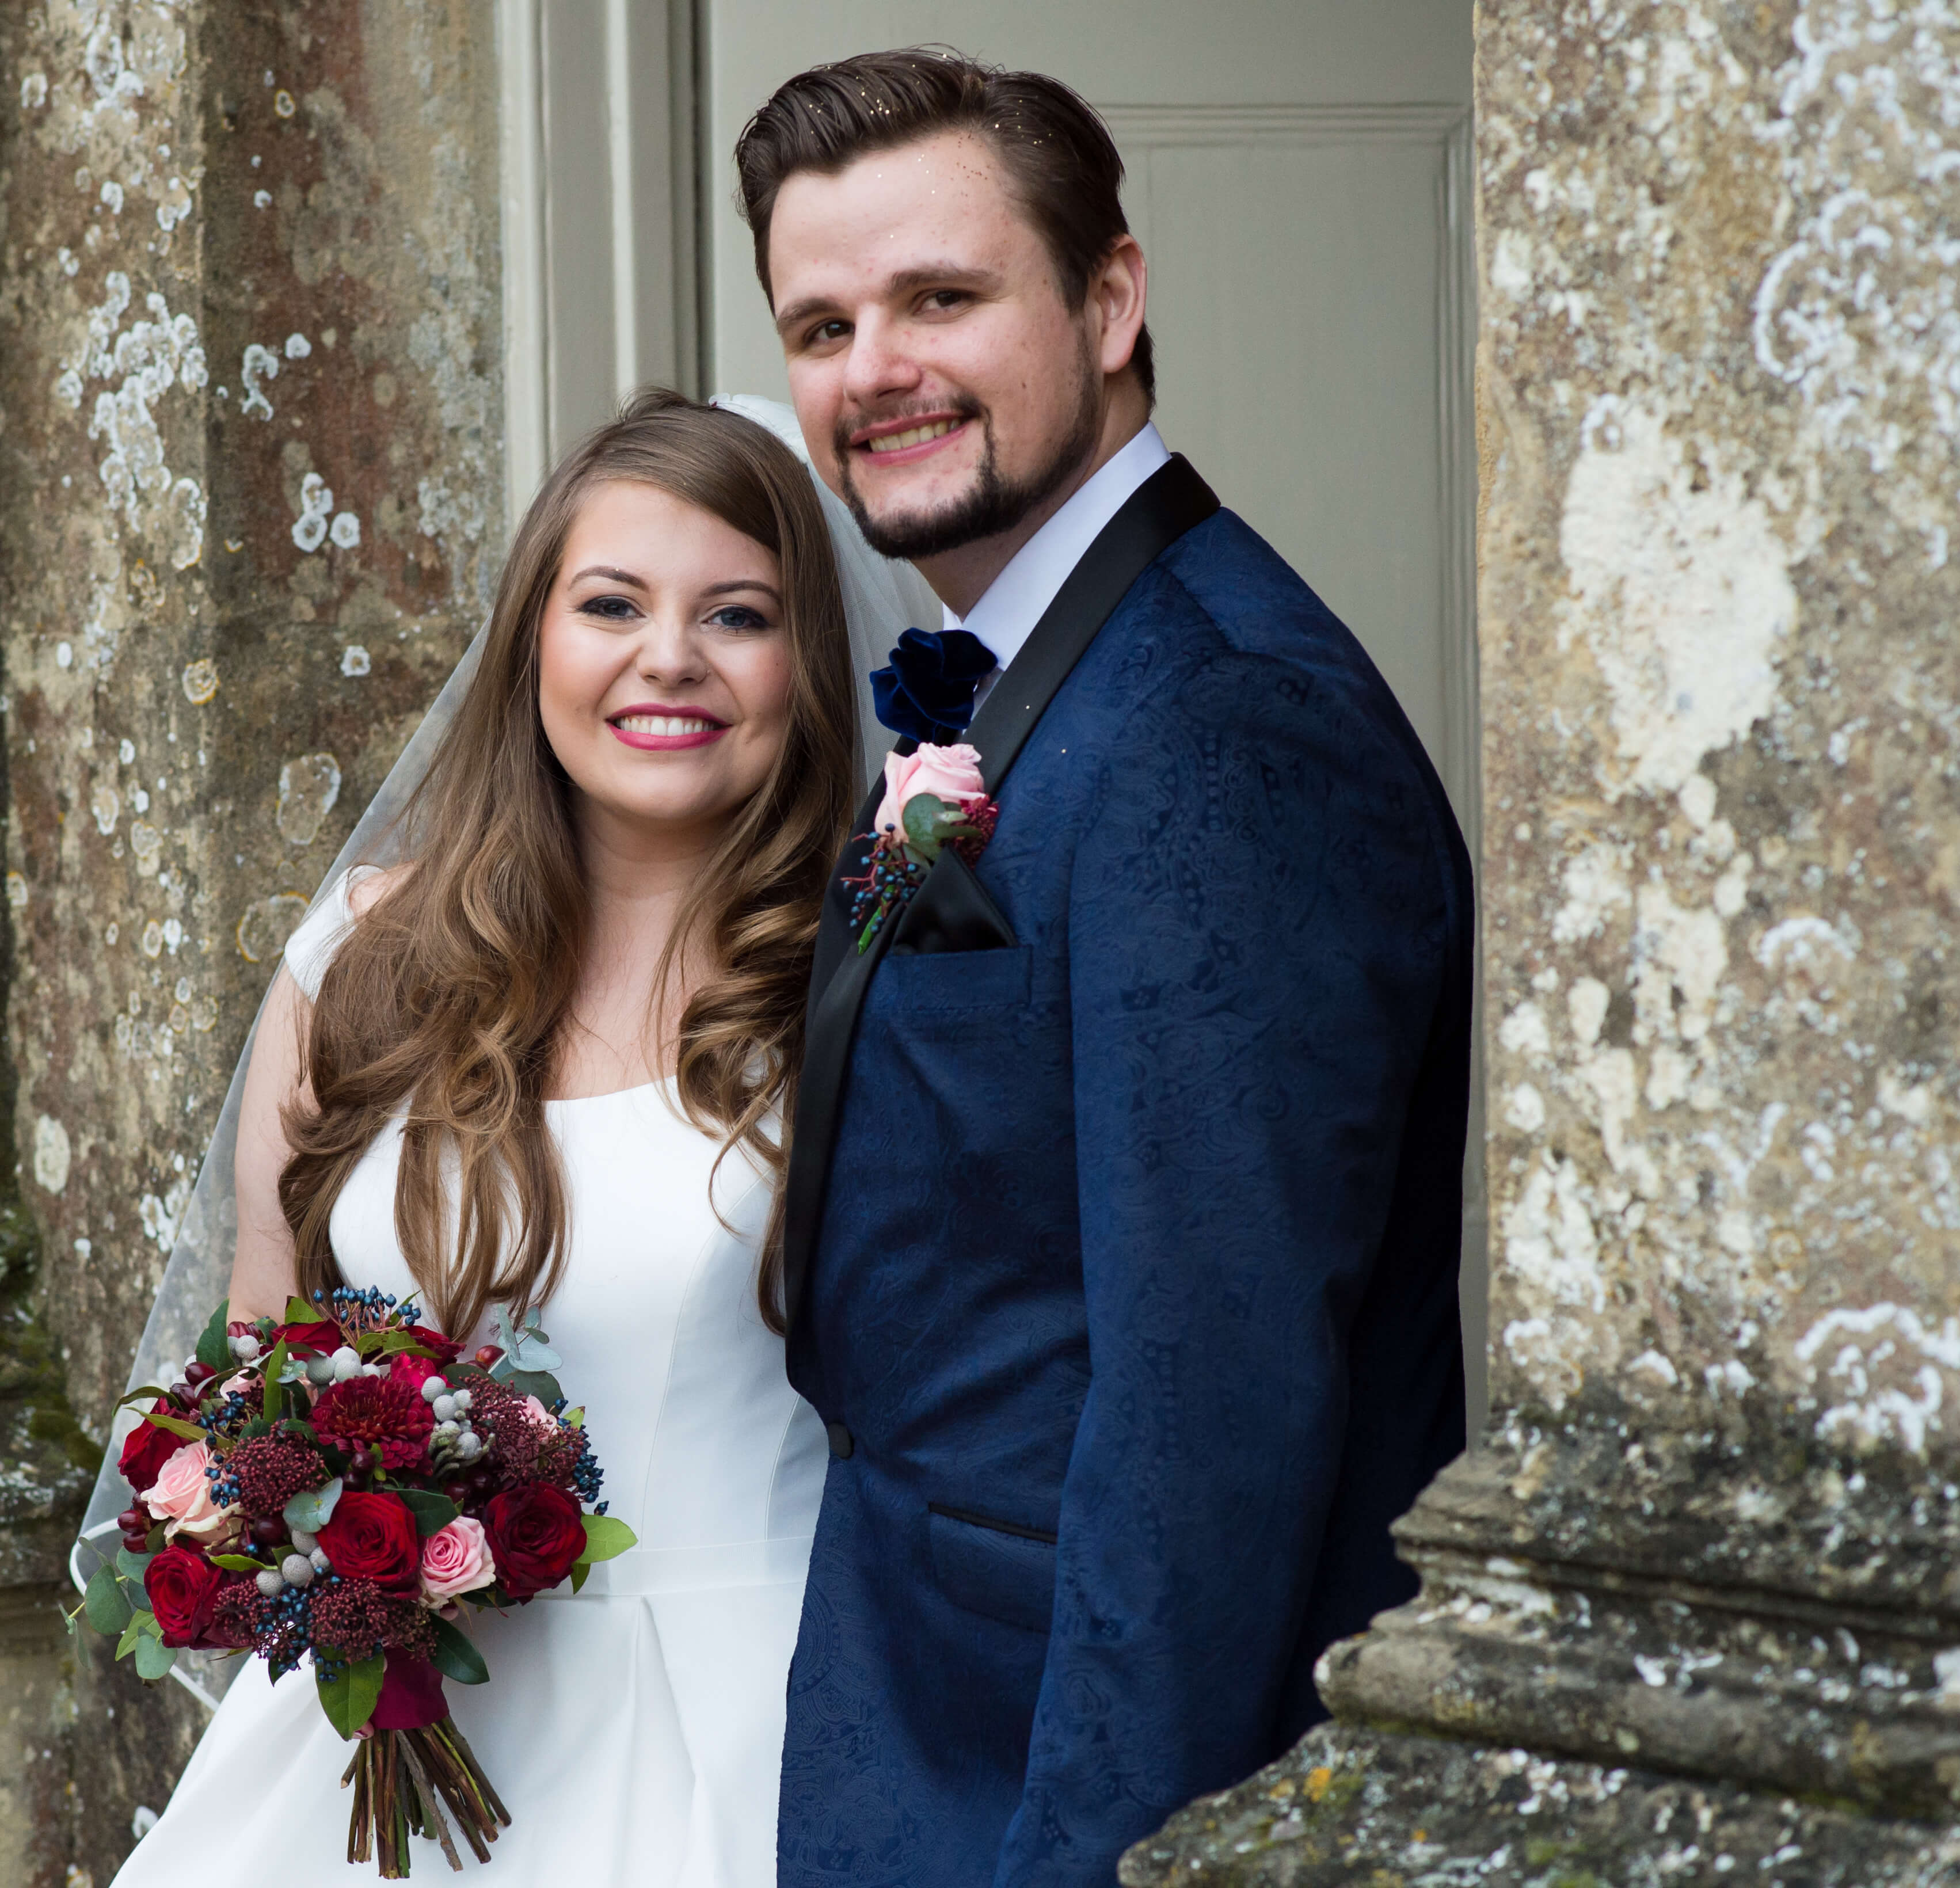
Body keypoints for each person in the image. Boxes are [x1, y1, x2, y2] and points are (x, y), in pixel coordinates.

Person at [738, 50, 1476, 1888]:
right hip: (914, 1718)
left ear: (1113, 299)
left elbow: (1204, 1431)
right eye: (820, 323)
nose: (873, 370)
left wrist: (1086, 1861)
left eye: (941, 298)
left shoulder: (1221, 725)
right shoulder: (1050, 672)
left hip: (1046, 1788)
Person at [111, 391, 859, 1885]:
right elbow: (253, 1363)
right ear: (533, 644)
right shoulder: (367, 957)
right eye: (613, 604)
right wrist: (298, 1518)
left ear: (808, 665)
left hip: (742, 1732)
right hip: (380, 1754)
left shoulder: (860, 987)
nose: (669, 656)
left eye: (737, 614)